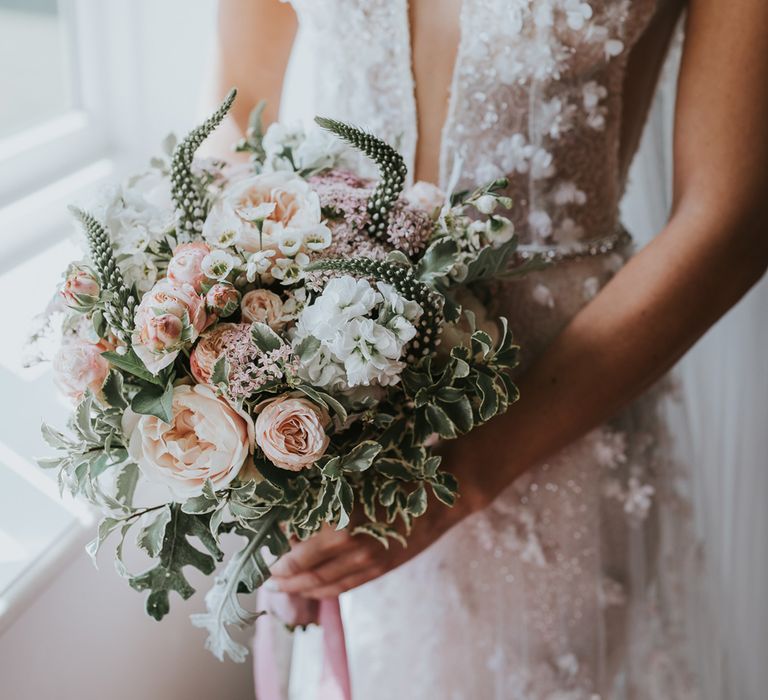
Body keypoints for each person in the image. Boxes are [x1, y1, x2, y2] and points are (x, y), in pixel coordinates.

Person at [209, 1, 768, 697]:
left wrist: (456, 483)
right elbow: (237, 115)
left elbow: (731, 220)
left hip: (555, 421)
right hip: (328, 409)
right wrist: (235, 365)